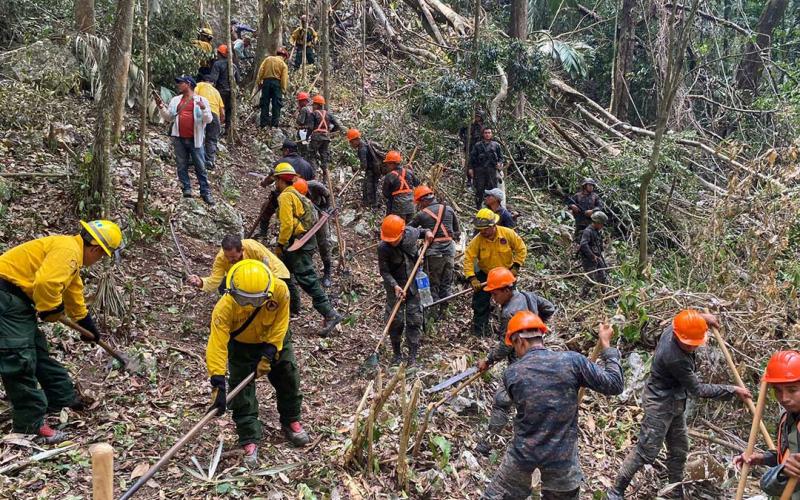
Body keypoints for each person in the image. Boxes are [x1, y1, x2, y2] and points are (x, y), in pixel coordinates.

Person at [607, 310, 753, 500]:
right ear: (678, 337)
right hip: (659, 403)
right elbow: (698, 390)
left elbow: (687, 317)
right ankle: (616, 490)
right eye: (689, 344)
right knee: (646, 451)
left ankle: (675, 492)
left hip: (676, 401)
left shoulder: (676, 327)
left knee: (679, 449)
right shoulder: (675, 358)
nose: (692, 348)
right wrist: (732, 390)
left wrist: (703, 318)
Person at [0, 220, 124, 443]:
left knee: (38, 352)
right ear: (95, 249)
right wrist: (49, 308)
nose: (99, 260)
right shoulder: (68, 251)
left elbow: (73, 293)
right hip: (5, 298)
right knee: (18, 358)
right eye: (102, 256)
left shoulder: (71, 254)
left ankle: (61, 398)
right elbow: (46, 283)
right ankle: (30, 426)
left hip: (17, 302)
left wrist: (87, 325)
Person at [482, 311, 624, 499]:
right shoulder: (573, 362)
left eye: (514, 346)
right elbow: (615, 384)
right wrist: (606, 346)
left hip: (523, 460)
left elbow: (512, 402)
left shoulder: (512, 373)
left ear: (520, 342)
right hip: (563, 464)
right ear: (541, 336)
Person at [206, 259, 309, 468]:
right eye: (244, 300)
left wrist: (270, 351)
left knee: (288, 376)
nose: (251, 305)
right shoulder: (224, 308)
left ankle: (291, 419)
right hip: (242, 346)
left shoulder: (280, 290)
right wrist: (217, 381)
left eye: (256, 300)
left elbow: (282, 321)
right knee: (242, 392)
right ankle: (249, 437)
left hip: (274, 338)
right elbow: (217, 344)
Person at [475, 267, 555, 456]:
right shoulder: (529, 296)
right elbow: (550, 308)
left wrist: (488, 360)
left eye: (495, 293)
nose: (493, 298)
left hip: (519, 363)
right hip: (540, 354)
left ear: (506, 290)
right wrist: (536, 328)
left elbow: (506, 345)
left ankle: (486, 445)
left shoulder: (509, 312)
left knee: (502, 401)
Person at [273, 163, 343, 335]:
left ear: (280, 180)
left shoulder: (285, 197)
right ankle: (292, 307)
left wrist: (280, 244)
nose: (275, 184)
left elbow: (287, 224)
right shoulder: (297, 194)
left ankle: (329, 313)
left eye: (276, 180)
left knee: (307, 278)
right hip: (304, 240)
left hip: (297, 242)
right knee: (284, 272)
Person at [734, 350, 800, 499]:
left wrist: (782, 472)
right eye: (778, 391)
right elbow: (788, 453)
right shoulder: (787, 417)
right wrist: (762, 458)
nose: (784, 398)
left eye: (792, 390)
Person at [377, 215, 433, 366]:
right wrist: (394, 285)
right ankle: (396, 354)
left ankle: (412, 355)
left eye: (394, 239)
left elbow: (424, 231)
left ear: (402, 233)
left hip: (414, 284)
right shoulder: (383, 248)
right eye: (388, 240)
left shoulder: (410, 233)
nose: (391, 242)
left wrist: (428, 233)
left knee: (414, 319)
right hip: (395, 286)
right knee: (395, 321)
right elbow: (384, 271)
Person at [463, 208, 527, 337]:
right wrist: (472, 278)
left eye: (485, 229)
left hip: (506, 274)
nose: (483, 232)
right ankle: (480, 331)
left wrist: (516, 266)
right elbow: (468, 258)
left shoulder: (508, 234)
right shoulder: (478, 240)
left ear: (493, 225)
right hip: (486, 274)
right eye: (480, 229)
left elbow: (521, 249)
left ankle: (510, 332)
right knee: (480, 303)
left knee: (510, 304)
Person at [158, 75, 215, 205]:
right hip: (179, 137)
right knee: (181, 165)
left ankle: (205, 192)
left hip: (196, 139)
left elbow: (209, 120)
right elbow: (169, 117)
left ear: (188, 84)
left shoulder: (201, 100)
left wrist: (203, 108)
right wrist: (161, 107)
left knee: (200, 166)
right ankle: (187, 189)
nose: (178, 85)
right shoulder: (175, 100)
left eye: (180, 83)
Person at [409, 185, 460, 315]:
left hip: (434, 253)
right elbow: (456, 232)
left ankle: (433, 314)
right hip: (449, 251)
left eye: (419, 203)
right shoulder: (449, 209)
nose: (419, 206)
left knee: (433, 284)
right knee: (446, 283)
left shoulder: (422, 215)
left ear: (424, 200)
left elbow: (408, 231)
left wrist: (424, 233)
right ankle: (444, 312)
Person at [186, 234, 289, 293]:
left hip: (274, 273)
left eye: (233, 257)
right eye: (227, 256)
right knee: (224, 286)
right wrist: (201, 282)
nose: (230, 260)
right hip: (246, 277)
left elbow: (269, 268)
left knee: (284, 294)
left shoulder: (252, 248)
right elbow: (215, 280)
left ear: (242, 250)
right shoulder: (221, 258)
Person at [293, 178, 333, 288]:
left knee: (324, 242)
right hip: (305, 215)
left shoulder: (315, 186)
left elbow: (328, 194)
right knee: (302, 241)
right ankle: (303, 270)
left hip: (320, 212)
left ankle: (327, 272)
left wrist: (326, 208)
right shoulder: (292, 192)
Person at [308, 95, 342, 183]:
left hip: (316, 137)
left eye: (314, 105)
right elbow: (337, 126)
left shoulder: (313, 114)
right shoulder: (329, 114)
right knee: (324, 157)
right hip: (326, 138)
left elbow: (310, 127)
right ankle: (325, 180)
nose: (312, 107)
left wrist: (307, 137)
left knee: (311, 155)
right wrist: (330, 131)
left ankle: (313, 176)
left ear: (317, 105)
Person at [195, 73, 225, 170]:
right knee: (212, 139)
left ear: (204, 80)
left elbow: (193, 96)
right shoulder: (216, 92)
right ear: (212, 83)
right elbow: (222, 111)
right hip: (215, 115)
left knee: (198, 136)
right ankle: (210, 161)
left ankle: (196, 159)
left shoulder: (199, 85)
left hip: (201, 112)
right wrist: (221, 120)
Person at [469, 128, 504, 209]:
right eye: (485, 133)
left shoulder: (496, 145)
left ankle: (492, 208)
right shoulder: (478, 145)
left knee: (493, 190)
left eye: (489, 133)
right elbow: (472, 158)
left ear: (491, 134)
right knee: (479, 189)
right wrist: (470, 168)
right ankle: (478, 207)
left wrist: (499, 164)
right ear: (483, 134)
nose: (487, 134)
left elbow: (501, 158)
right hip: (480, 170)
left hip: (491, 170)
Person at [347, 129, 382, 208]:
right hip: (375, 169)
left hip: (372, 170)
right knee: (372, 186)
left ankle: (372, 204)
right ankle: (371, 203)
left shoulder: (361, 149)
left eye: (351, 142)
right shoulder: (365, 144)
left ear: (356, 140)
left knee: (370, 186)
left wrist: (360, 168)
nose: (351, 144)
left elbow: (364, 164)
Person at [381, 150, 420, 222]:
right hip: (411, 205)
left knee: (398, 227)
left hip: (399, 206)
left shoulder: (389, 176)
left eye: (387, 164)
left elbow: (385, 193)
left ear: (392, 164)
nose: (387, 166)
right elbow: (417, 183)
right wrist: (412, 171)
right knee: (409, 228)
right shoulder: (409, 172)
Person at [256, 48, 289, 128]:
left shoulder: (268, 59)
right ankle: (275, 124)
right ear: (284, 56)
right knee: (276, 104)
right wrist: (283, 89)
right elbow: (284, 78)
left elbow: (261, 71)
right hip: (276, 84)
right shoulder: (283, 64)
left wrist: (259, 82)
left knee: (265, 103)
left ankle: (263, 123)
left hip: (266, 82)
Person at [209, 44, 240, 129]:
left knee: (217, 110)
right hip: (231, 92)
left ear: (220, 54)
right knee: (229, 111)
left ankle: (216, 129)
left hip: (220, 92)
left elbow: (213, 79)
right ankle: (228, 129)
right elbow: (238, 80)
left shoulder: (217, 64)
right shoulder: (233, 66)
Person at [579, 211, 608, 297]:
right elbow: (583, 244)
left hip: (597, 257)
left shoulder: (596, 232)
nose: (602, 226)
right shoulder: (588, 231)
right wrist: (592, 256)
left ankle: (605, 297)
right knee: (591, 280)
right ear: (597, 222)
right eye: (601, 224)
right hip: (589, 260)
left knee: (603, 277)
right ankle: (582, 296)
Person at [568, 178, 604, 242]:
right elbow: (569, 203)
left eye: (592, 186)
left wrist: (592, 211)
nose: (591, 187)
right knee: (577, 239)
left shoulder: (595, 196)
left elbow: (600, 206)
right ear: (585, 186)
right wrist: (572, 206)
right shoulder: (577, 195)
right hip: (579, 221)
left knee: (591, 239)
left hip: (591, 221)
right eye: (589, 185)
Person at [459, 111, 484, 184]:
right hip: (470, 147)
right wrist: (464, 139)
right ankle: (469, 180)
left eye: (479, 117)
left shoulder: (483, 127)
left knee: (479, 164)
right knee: (469, 163)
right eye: (476, 116)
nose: (477, 118)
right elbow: (461, 132)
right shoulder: (470, 124)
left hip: (480, 149)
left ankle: (478, 180)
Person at [295, 92, 314, 156]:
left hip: (303, 131)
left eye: (300, 101)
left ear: (304, 101)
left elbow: (301, 121)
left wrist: (297, 116)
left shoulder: (304, 109)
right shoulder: (311, 108)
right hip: (310, 131)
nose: (299, 103)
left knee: (303, 148)